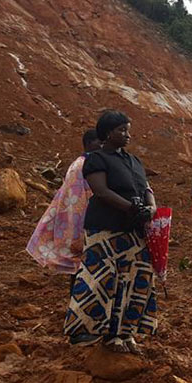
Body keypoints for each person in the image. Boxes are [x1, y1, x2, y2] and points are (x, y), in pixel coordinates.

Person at [64, 110, 158, 354]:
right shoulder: (96, 159)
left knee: (135, 281)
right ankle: (101, 334)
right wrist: (132, 208)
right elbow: (102, 191)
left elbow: (146, 188)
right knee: (104, 281)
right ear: (107, 133)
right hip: (105, 229)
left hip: (134, 231)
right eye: (121, 130)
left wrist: (151, 208)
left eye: (128, 129)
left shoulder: (134, 161)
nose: (127, 134)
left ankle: (126, 333)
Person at [26, 130, 102, 291]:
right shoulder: (83, 165)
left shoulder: (85, 163)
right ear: (89, 144)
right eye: (99, 142)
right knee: (82, 269)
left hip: (81, 219)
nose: (102, 146)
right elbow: (78, 199)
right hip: (82, 221)